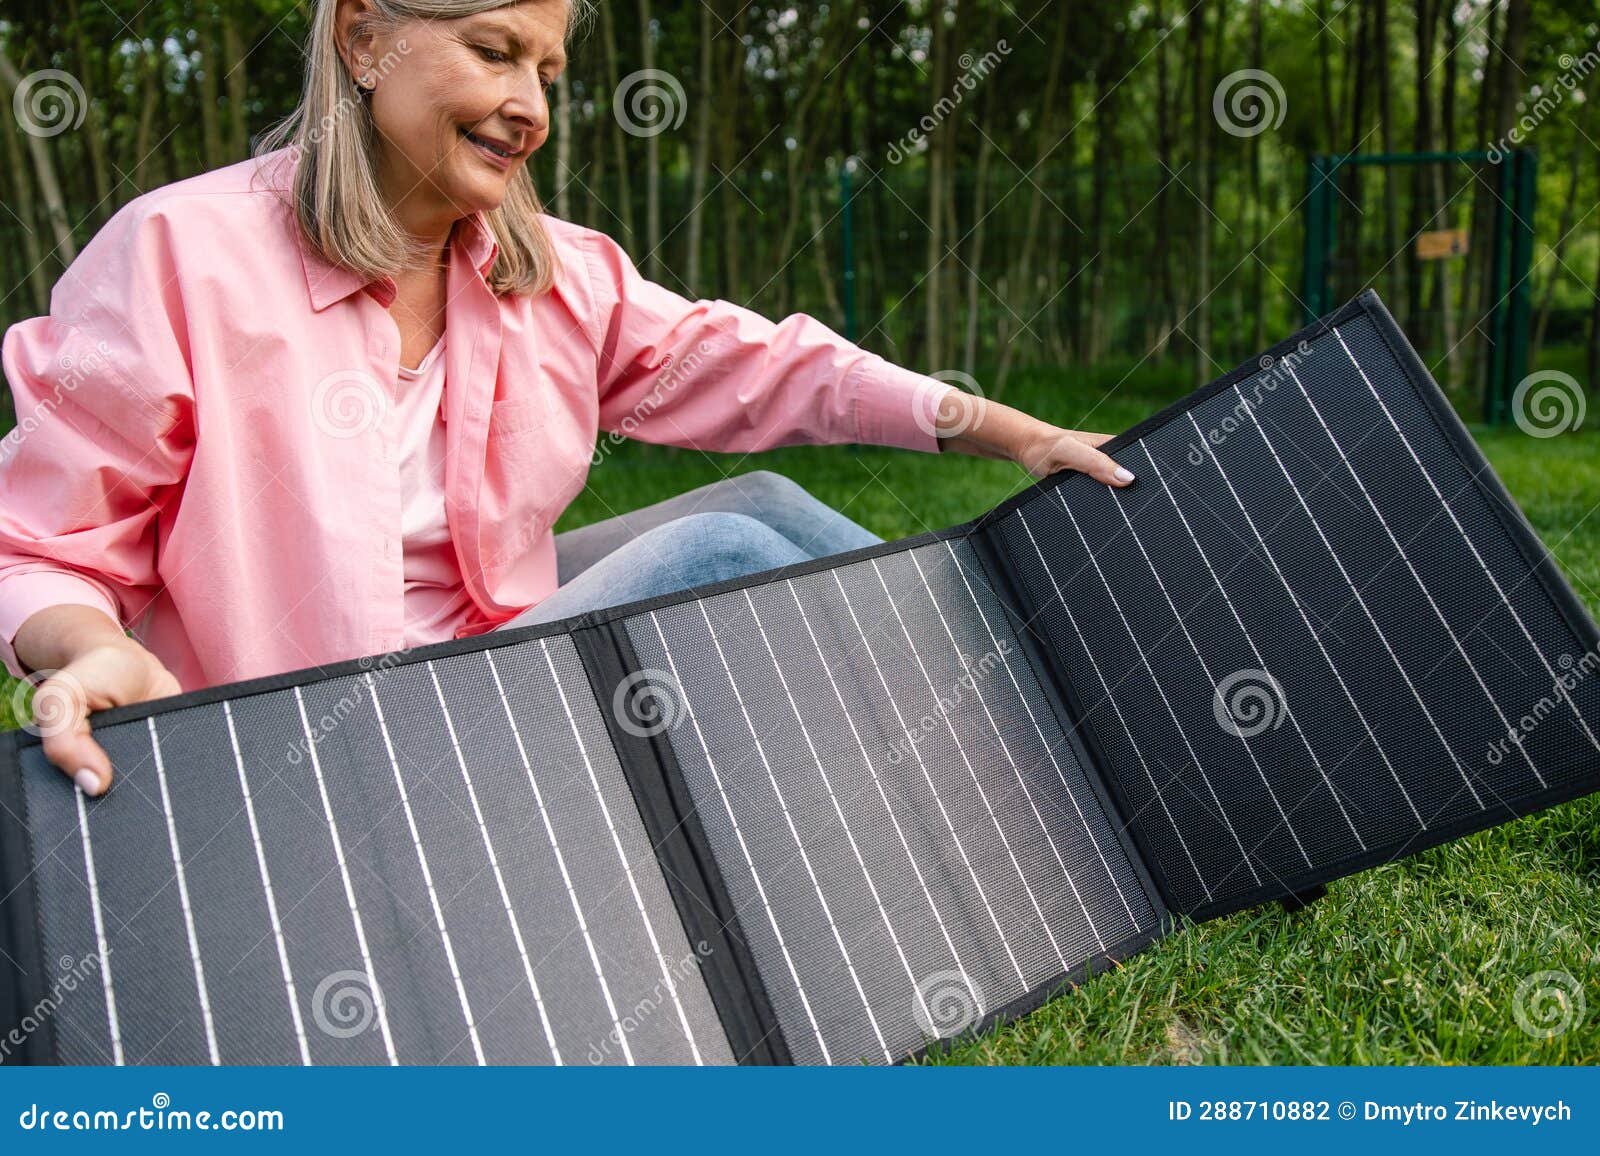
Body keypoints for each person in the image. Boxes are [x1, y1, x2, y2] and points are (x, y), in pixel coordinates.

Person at [0, 0, 1133, 795]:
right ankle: (1012, 770)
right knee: (724, 554)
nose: (528, 107)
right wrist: (86, 646)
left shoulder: (549, 272)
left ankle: (1049, 725)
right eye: (494, 51)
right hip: (313, 743)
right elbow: (38, 547)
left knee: (768, 506)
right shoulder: (181, 255)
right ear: (362, 36)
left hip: (489, 658)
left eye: (546, 73)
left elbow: (766, 366)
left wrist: (1013, 433)